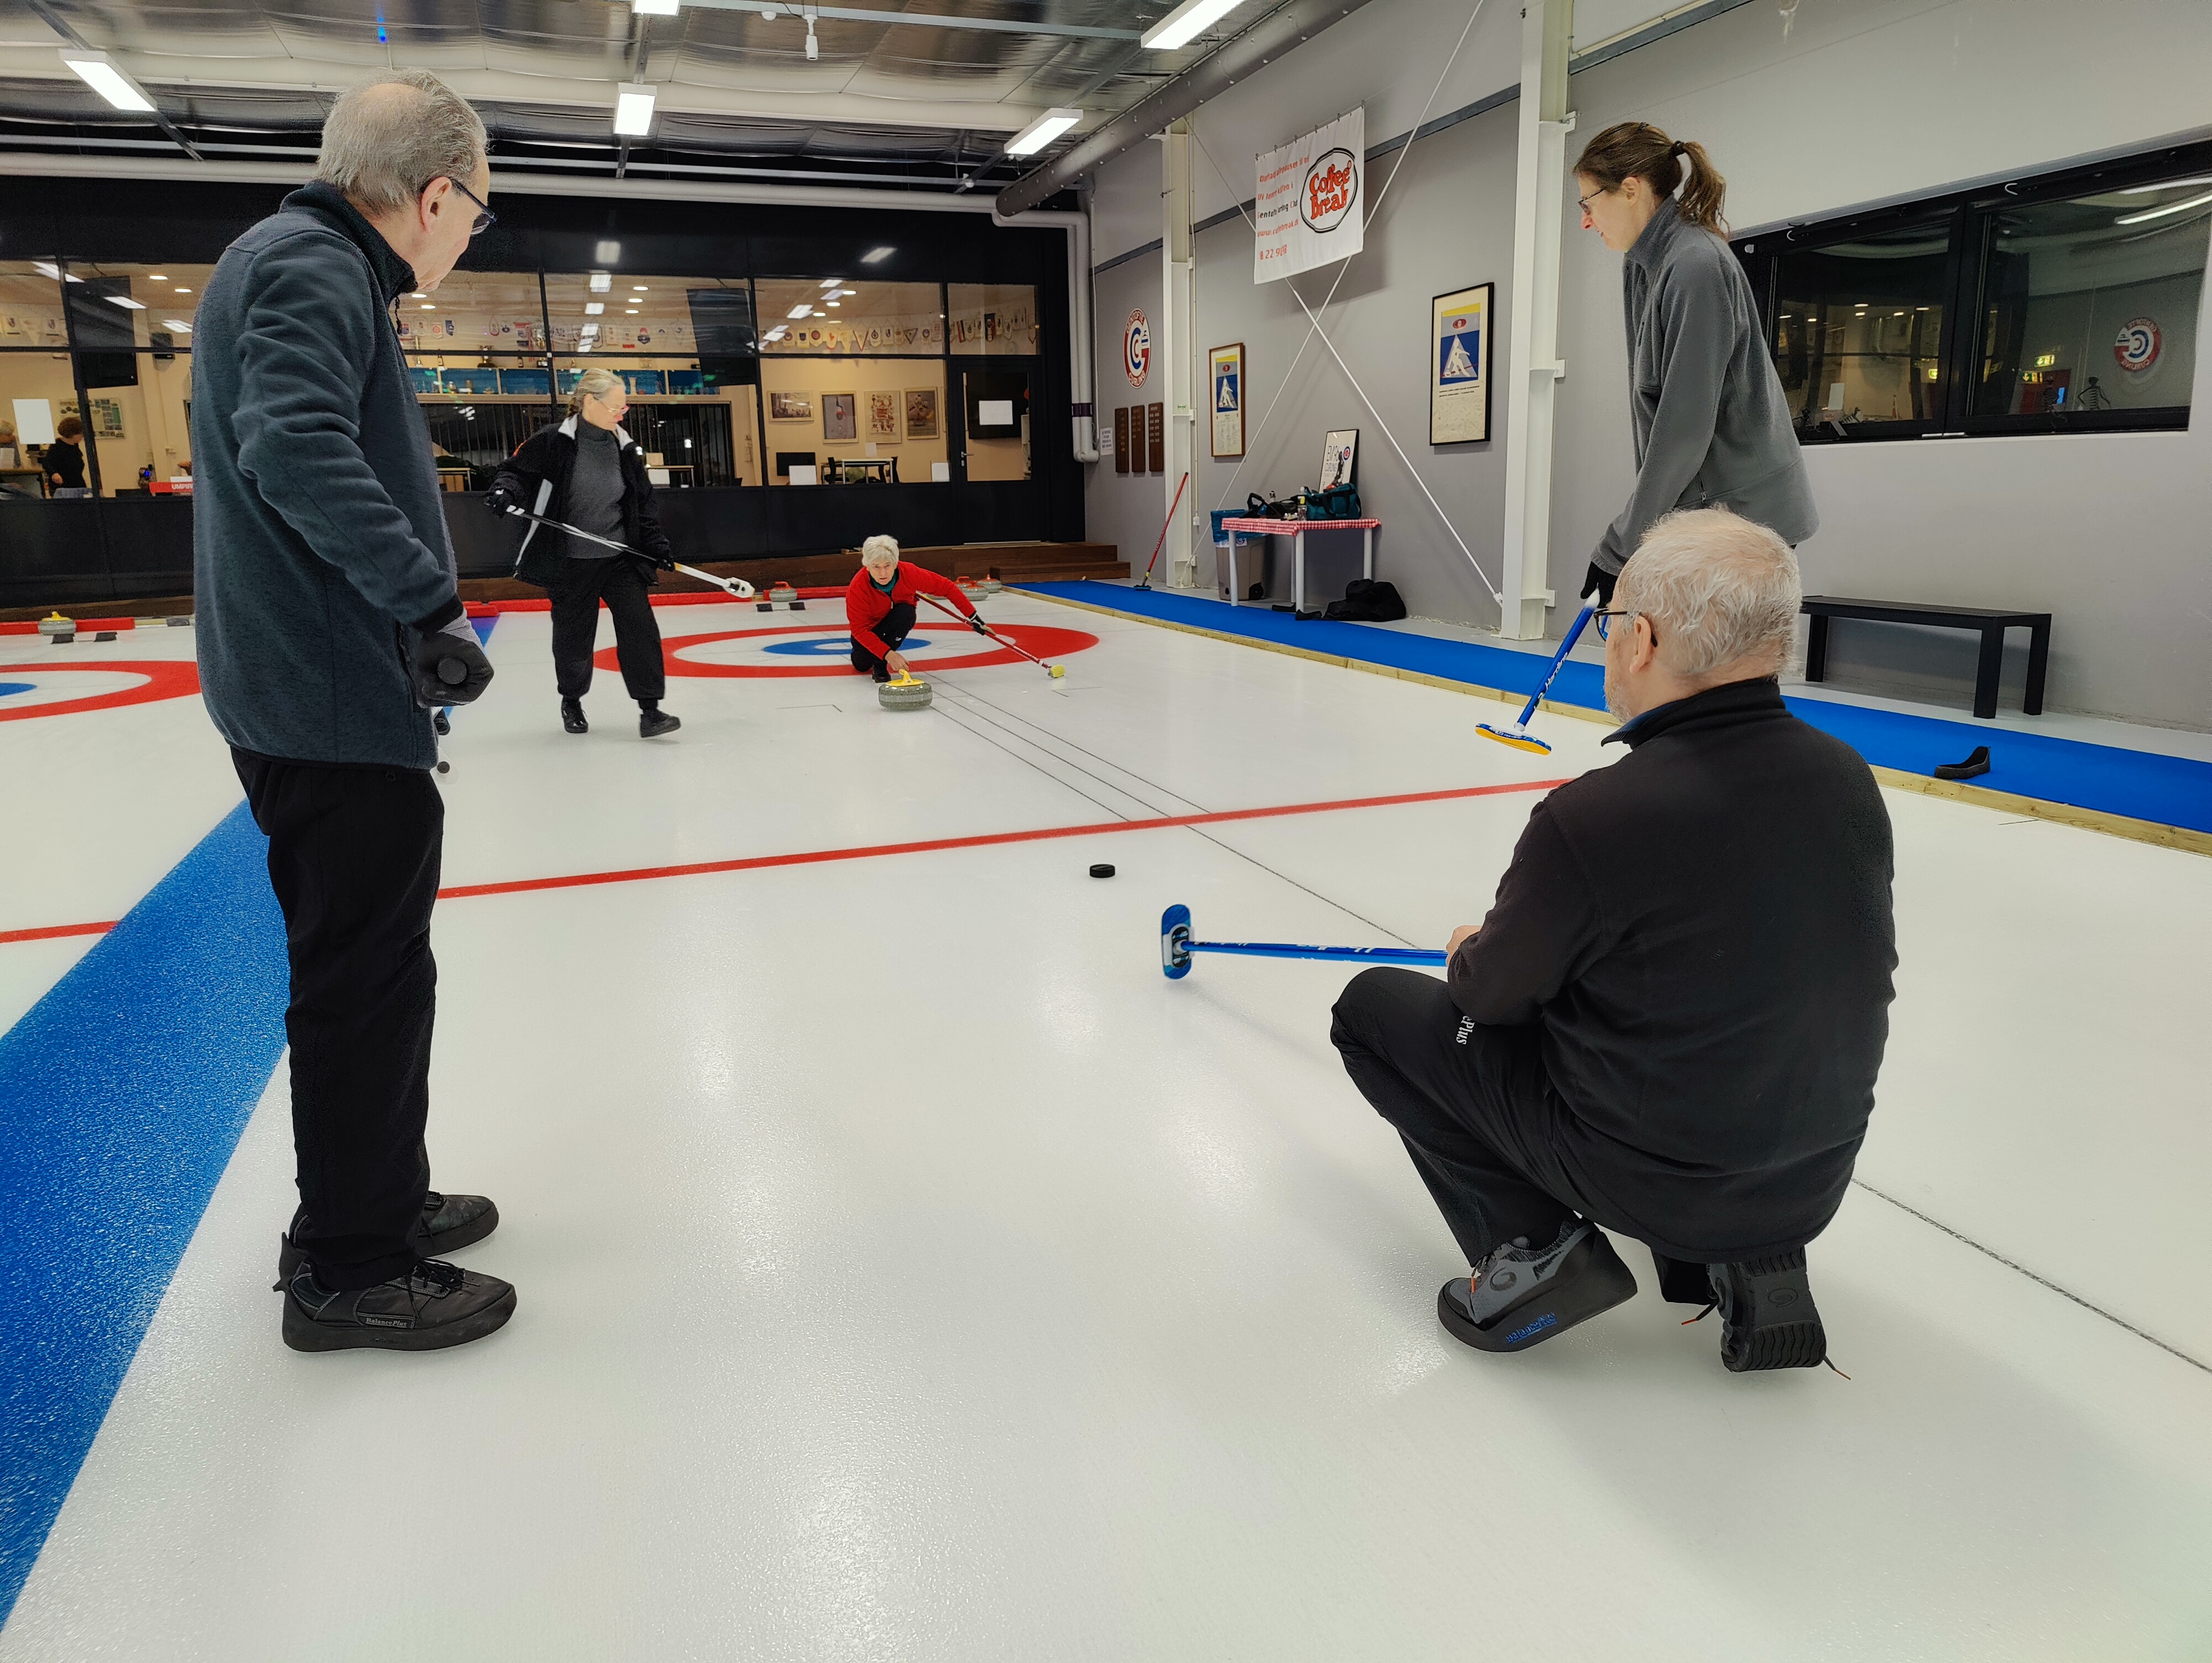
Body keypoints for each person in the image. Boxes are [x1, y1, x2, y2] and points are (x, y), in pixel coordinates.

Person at [1329, 509, 1895, 1372]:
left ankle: (1537, 1247)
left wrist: (1479, 949)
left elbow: (1486, 999)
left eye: (1612, 624)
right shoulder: (1846, 779)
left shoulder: (1596, 816)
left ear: (1644, 641)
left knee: (1374, 1011)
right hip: (1811, 1177)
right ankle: (1753, 1256)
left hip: (1651, 1177)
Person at [190, 70, 513, 1353]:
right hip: (323, 692)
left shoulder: (299, 262)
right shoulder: (314, 265)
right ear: (434, 193)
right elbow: (293, 443)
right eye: (473, 213)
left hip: (312, 680)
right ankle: (348, 1265)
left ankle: (374, 1198)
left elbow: (306, 437)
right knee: (361, 978)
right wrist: (427, 600)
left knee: (380, 965)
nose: (466, 233)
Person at [1572, 123, 1815, 610]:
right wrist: (1642, 531)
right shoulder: (1642, 265)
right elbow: (1656, 413)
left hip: (1746, 517)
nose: (1585, 221)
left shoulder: (1695, 266)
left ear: (1631, 190)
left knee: (1709, 670)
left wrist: (1621, 545)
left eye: (1588, 202)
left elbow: (1683, 428)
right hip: (1701, 509)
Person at [486, 368, 680, 738]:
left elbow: (642, 504)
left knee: (640, 629)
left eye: (624, 409)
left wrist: (656, 548)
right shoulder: (553, 442)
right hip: (571, 560)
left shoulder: (624, 447)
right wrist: (505, 492)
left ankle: (650, 710)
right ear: (590, 402)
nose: (621, 414)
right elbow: (516, 472)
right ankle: (572, 700)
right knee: (574, 638)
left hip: (619, 557)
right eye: (616, 407)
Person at [843, 534, 984, 681]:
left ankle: (880, 664)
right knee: (862, 664)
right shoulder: (858, 588)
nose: (883, 573)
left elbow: (946, 587)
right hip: (871, 629)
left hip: (897, 619)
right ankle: (876, 657)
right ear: (867, 566)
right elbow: (860, 629)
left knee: (907, 612)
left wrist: (973, 616)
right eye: (876, 567)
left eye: (887, 566)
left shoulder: (909, 573)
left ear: (896, 563)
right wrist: (890, 654)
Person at [44, 413, 88, 496]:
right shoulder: (57, 446)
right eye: (80, 434)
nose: (82, 436)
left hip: (77, 485)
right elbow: (47, 463)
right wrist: (54, 474)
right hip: (63, 488)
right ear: (72, 434)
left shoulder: (75, 446)